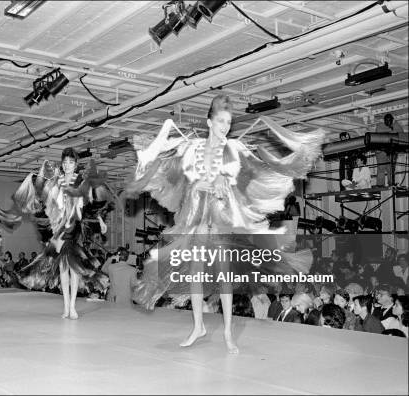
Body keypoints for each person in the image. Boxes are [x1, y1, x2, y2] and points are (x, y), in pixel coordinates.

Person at [127, 94, 324, 352]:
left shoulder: (234, 148)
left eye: (229, 123)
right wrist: (197, 183)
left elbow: (249, 175)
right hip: (198, 218)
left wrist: (225, 181)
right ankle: (198, 326)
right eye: (221, 122)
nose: (225, 127)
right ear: (210, 123)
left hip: (222, 219)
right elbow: (177, 176)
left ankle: (229, 333)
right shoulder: (192, 147)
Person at [13, 148, 111, 319]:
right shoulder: (57, 180)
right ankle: (66, 306)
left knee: (74, 268)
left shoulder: (80, 179)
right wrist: (35, 179)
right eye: (65, 162)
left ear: (75, 164)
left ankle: (72, 306)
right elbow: (46, 196)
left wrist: (100, 218)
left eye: (71, 162)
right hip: (58, 227)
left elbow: (90, 201)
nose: (67, 165)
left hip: (73, 226)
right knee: (62, 269)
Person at [374, 113, 404, 186]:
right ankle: (380, 185)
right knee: (381, 168)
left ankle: (391, 183)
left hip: (391, 151)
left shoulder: (395, 125)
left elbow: (401, 134)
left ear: (392, 120)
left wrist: (394, 124)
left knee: (390, 168)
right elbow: (381, 134)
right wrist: (392, 130)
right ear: (384, 120)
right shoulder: (380, 126)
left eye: (390, 120)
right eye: (386, 120)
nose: (388, 122)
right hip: (381, 151)